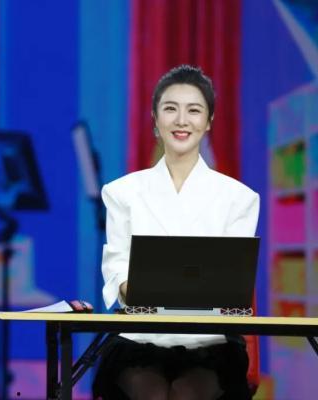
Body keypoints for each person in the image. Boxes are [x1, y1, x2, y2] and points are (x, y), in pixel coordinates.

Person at [92, 65, 259, 400]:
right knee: (150, 391)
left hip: (211, 339)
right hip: (140, 335)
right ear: (155, 119)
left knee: (188, 391)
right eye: (170, 109)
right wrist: (137, 288)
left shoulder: (240, 198)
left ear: (208, 121)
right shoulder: (121, 192)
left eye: (194, 110)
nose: (182, 120)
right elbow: (117, 268)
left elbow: (232, 281)